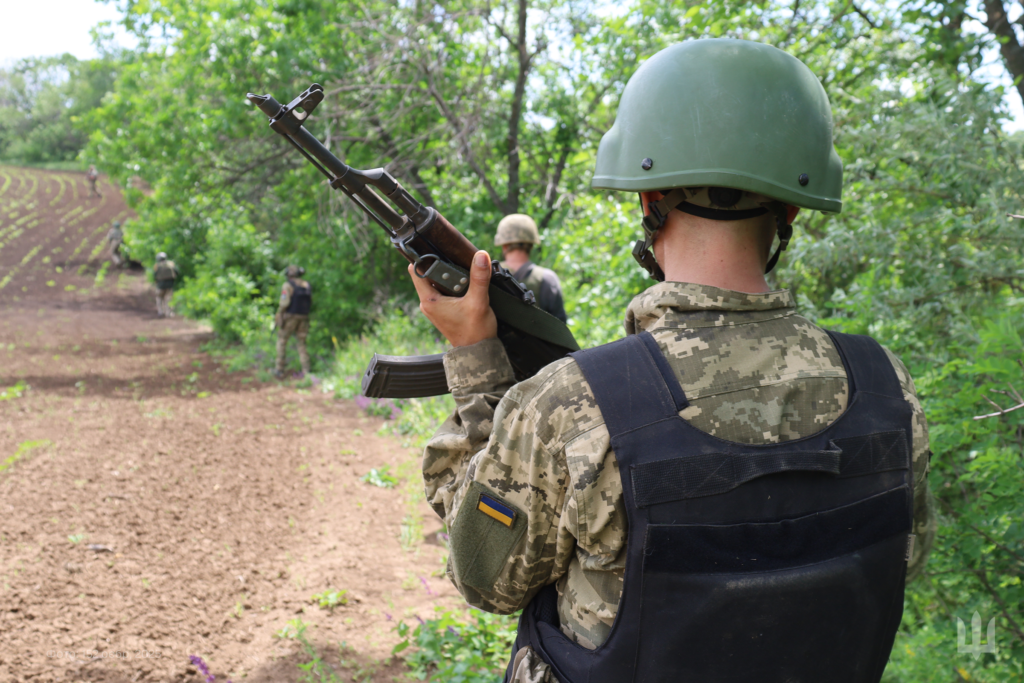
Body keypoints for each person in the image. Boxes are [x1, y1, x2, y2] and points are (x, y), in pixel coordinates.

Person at [410, 39, 936, 683]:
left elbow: (482, 574)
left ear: (648, 197)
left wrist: (475, 360)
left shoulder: (574, 404)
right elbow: (901, 560)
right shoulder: (885, 385)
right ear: (792, 209)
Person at [495, 214, 567, 322]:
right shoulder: (547, 279)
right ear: (531, 246)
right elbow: (560, 326)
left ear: (504, 246)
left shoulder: (489, 274)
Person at [275, 265, 312, 378]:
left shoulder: (288, 285)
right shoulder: (306, 285)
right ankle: (306, 370)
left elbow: (284, 303)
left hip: (290, 317)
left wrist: (279, 314)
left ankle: (279, 369)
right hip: (304, 317)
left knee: (282, 341)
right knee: (302, 343)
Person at [153, 252, 178, 317]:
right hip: (170, 285)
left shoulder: (157, 265)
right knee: (169, 299)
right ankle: (169, 313)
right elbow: (177, 272)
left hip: (160, 285)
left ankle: (160, 311)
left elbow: (155, 275)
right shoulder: (171, 264)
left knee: (159, 298)